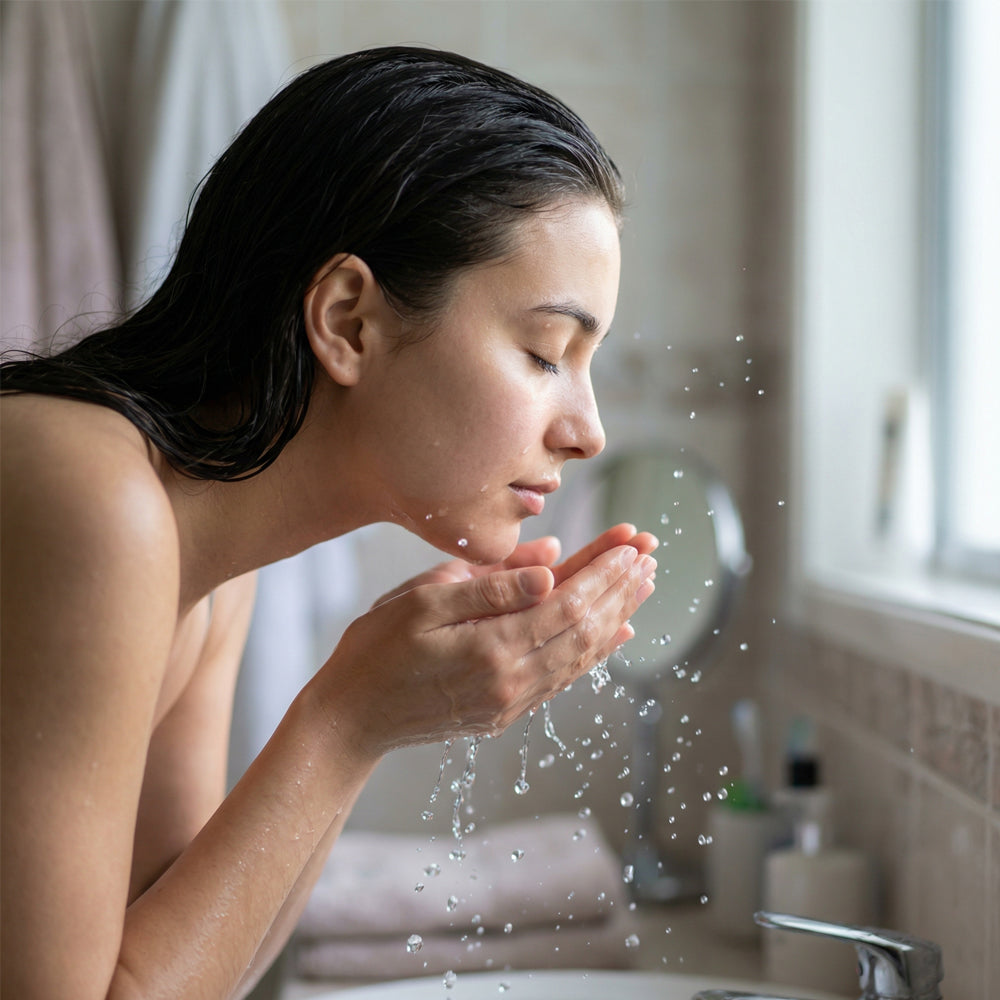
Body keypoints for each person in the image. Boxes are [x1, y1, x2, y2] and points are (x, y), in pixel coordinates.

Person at [0, 47, 657, 999]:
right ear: (348, 320)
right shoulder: (93, 498)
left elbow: (170, 969)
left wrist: (373, 714)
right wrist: (347, 718)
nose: (588, 431)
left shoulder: (210, 568)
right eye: (547, 351)